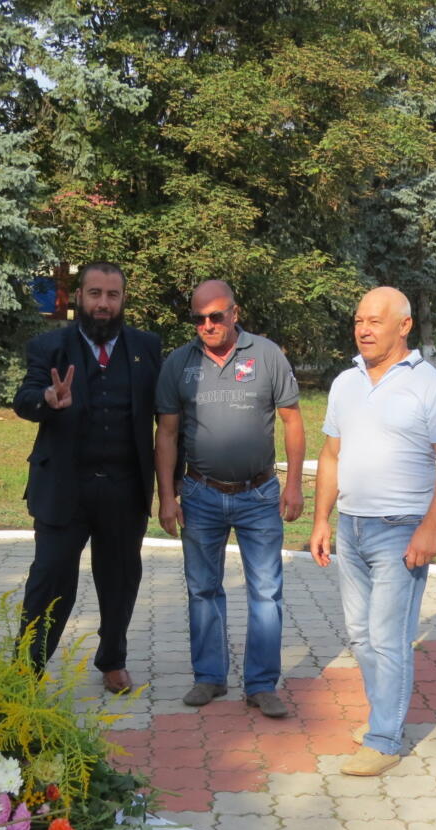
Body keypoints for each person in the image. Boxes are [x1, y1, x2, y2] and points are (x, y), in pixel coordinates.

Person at [309, 287, 436, 775]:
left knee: (388, 636)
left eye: (375, 321)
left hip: (402, 531)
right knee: (360, 635)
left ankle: (384, 740)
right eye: (359, 320)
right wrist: (321, 519)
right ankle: (384, 717)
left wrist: (431, 529)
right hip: (351, 527)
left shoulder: (431, 387)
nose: (363, 330)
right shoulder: (345, 383)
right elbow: (331, 456)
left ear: (404, 326)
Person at [154, 280, 306, 717]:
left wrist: (294, 484)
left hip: (259, 494)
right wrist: (166, 497)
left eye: (216, 316)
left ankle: (261, 685)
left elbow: (292, 421)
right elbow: (166, 434)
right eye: (198, 318)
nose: (207, 325)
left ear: (234, 314)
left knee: (267, 592)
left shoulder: (267, 355)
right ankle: (209, 677)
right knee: (202, 589)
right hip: (200, 494)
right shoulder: (179, 364)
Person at [12, 262, 162, 694]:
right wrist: (47, 397)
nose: (103, 304)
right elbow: (24, 398)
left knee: (120, 581)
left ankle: (113, 659)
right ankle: (26, 670)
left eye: (112, 295)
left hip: (124, 488)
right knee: (49, 580)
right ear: (79, 296)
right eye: (95, 293)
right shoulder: (50, 346)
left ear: (123, 299)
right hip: (64, 488)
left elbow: (166, 415)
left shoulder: (146, 347)